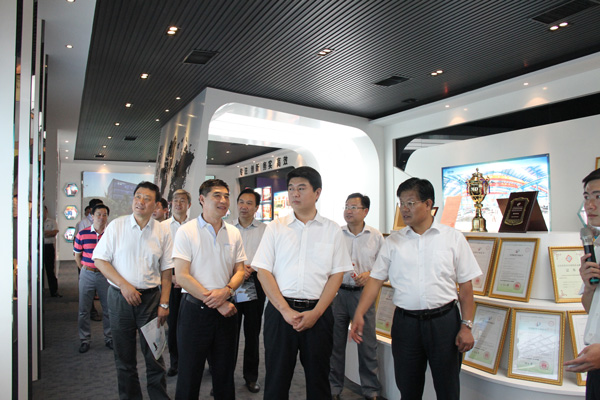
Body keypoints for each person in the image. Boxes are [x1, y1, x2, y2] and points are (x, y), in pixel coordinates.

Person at [350, 177, 480, 400]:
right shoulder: (393, 242)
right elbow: (375, 280)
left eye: (410, 203)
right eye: (401, 203)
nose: (404, 209)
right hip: (406, 324)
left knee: (448, 388)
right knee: (408, 387)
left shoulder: (452, 238)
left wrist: (466, 325)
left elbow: (466, 287)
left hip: (444, 323)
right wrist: (359, 313)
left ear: (428, 204)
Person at [252, 166, 353, 399]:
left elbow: (336, 275)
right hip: (280, 313)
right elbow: (263, 271)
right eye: (291, 189)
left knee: (319, 381)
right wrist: (285, 310)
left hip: (319, 313)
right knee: (276, 380)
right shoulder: (276, 227)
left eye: (301, 188)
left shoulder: (332, 230)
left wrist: (316, 313)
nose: (294, 194)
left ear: (317, 193)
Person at [93, 181, 173, 400]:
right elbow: (100, 260)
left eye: (147, 199)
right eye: (138, 196)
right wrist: (124, 285)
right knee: (124, 359)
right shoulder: (116, 226)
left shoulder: (162, 231)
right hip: (120, 299)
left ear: (156, 205)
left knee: (155, 356)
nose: (141, 202)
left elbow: (167, 272)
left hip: (151, 300)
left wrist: (164, 303)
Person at [172, 179, 246, 400]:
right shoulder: (186, 231)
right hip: (195, 312)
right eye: (217, 195)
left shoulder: (233, 232)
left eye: (226, 196)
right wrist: (218, 302)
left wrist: (227, 292)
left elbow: (240, 271)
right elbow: (182, 276)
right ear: (202, 199)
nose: (223, 200)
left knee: (224, 373)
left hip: (227, 313)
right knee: (189, 374)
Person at [330, 193, 383, 400]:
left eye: (353, 207)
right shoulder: (336, 234)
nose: (348, 211)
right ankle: (334, 388)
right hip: (338, 294)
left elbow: (384, 266)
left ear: (365, 211)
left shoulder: (375, 236)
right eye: (346, 206)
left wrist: (370, 274)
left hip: (363, 295)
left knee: (367, 344)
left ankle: (371, 389)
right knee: (335, 343)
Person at [565, 169, 600, 398]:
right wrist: (589, 287)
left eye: (598, 197)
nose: (590, 205)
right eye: (587, 197)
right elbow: (591, 309)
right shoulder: (595, 248)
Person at [232, 188, 267, 393]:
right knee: (229, 334)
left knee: (252, 334)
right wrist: (237, 270)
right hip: (232, 282)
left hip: (255, 281)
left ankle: (251, 377)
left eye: (249, 203)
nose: (244, 206)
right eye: (241, 202)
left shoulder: (265, 230)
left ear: (256, 208)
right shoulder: (227, 228)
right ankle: (223, 377)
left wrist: (251, 267)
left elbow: (270, 256)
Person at [161, 189, 192, 377]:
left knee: (192, 324)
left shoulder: (196, 226)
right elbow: (157, 257)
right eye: (175, 200)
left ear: (189, 204)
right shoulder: (162, 227)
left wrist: (186, 277)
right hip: (170, 280)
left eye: (183, 200)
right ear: (171, 204)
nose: (179, 204)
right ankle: (175, 362)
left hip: (191, 280)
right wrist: (173, 277)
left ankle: (192, 361)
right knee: (173, 324)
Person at [73, 204, 112, 353]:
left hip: (105, 275)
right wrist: (84, 269)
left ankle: (109, 338)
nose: (101, 217)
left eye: (104, 215)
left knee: (108, 308)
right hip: (87, 273)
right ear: (92, 216)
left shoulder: (111, 234)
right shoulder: (82, 234)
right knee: (84, 309)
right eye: (98, 214)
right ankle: (84, 339)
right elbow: (77, 256)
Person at [43, 206, 61, 297]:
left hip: (48, 247)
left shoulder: (52, 222)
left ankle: (54, 291)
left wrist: (45, 233)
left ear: (46, 211)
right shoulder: (33, 221)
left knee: (50, 269)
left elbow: (54, 232)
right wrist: (47, 233)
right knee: (37, 271)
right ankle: (39, 291)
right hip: (38, 247)